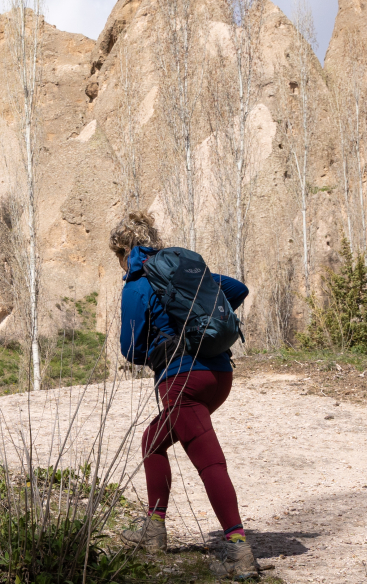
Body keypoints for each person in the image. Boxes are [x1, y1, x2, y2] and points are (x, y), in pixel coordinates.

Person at [110, 212, 258, 580]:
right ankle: (154, 530)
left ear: (124, 251)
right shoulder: (183, 273)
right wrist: (202, 327)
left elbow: (130, 348)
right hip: (219, 375)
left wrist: (164, 349)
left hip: (182, 382)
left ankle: (239, 552)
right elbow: (237, 289)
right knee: (152, 439)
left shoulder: (138, 283)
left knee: (209, 462)